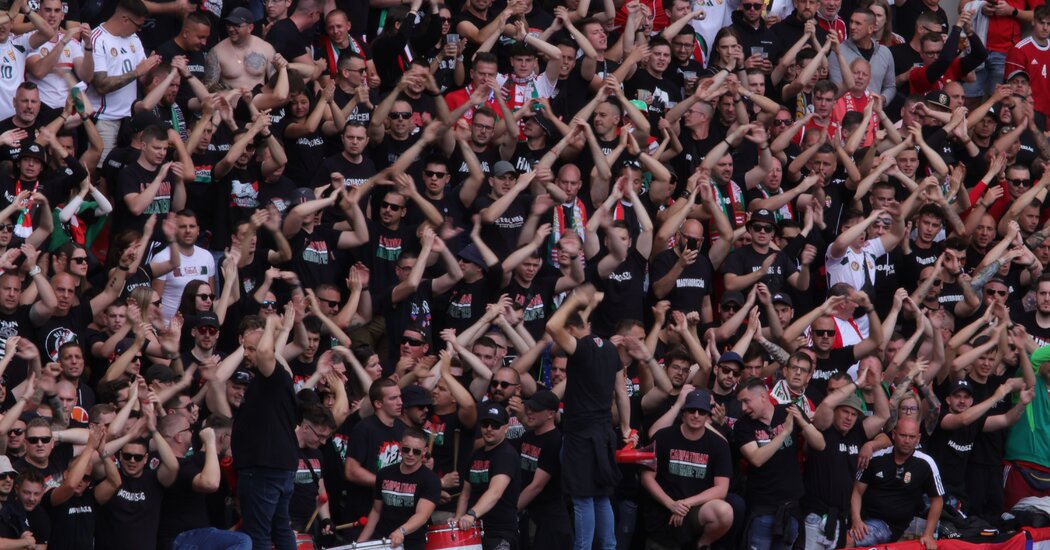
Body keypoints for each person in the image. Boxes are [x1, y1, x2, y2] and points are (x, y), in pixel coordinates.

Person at [358, 427, 440, 550]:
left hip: (412, 544)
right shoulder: (384, 474)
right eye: (406, 449)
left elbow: (422, 515)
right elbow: (376, 511)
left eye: (416, 451)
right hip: (383, 542)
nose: (410, 454)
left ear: (424, 451)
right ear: (400, 447)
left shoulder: (431, 480)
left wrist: (401, 531)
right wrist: (360, 544)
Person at [455, 404, 521, 550]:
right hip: (473, 531)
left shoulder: (506, 455)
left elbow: (495, 492)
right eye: (485, 424)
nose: (489, 429)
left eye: (495, 425)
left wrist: (472, 514)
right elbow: (466, 494)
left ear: (506, 428)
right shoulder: (475, 455)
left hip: (500, 533)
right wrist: (458, 518)